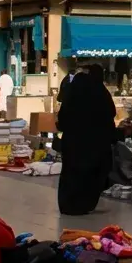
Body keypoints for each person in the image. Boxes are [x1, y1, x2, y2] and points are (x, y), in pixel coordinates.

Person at [56, 65, 116, 216]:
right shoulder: (100, 93)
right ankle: (85, 204)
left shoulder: (72, 95)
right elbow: (110, 114)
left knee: (71, 173)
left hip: (73, 143)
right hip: (96, 143)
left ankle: (68, 205)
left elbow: (62, 120)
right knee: (92, 174)